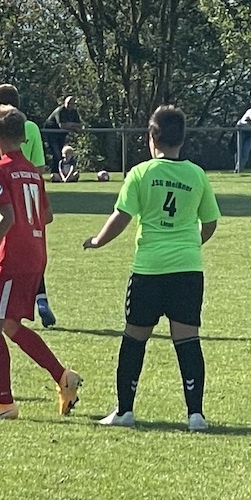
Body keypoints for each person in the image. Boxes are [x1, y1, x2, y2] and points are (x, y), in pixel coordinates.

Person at [83, 105, 221, 431]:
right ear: (182, 139)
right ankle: (196, 415)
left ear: (151, 137)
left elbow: (121, 216)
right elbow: (210, 222)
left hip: (149, 270)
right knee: (187, 340)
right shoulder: (197, 175)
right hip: (187, 269)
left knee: (134, 338)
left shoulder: (141, 173)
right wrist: (190, 245)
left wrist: (98, 241)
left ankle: (124, 411)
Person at [0, 105, 82, 421]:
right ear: (22, 136)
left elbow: (7, 216)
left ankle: (4, 403)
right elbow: (47, 215)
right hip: (36, 254)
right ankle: (64, 377)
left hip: (13, 257)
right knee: (10, 324)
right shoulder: (32, 171)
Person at [0, 83, 59, 329]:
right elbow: (47, 212)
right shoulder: (31, 159)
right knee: (10, 323)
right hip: (33, 226)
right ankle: (41, 299)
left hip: (0, 221)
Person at [43, 95, 83, 175]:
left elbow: (80, 125)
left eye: (72, 103)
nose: (70, 105)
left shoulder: (74, 112)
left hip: (61, 135)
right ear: (64, 103)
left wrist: (70, 125)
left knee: (60, 154)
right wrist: (74, 127)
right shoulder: (60, 110)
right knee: (57, 153)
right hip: (52, 133)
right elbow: (62, 125)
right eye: (68, 103)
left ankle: (57, 173)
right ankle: (55, 173)